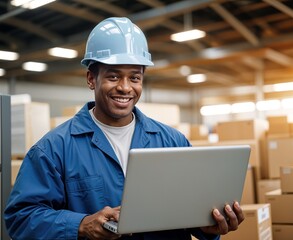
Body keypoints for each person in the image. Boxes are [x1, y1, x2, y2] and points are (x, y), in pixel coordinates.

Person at [4, 17, 244, 240]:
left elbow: (189, 211)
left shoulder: (173, 141)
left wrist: (209, 226)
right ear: (91, 79)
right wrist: (81, 224)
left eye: (135, 78)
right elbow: (20, 218)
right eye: (113, 76)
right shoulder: (53, 149)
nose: (125, 88)